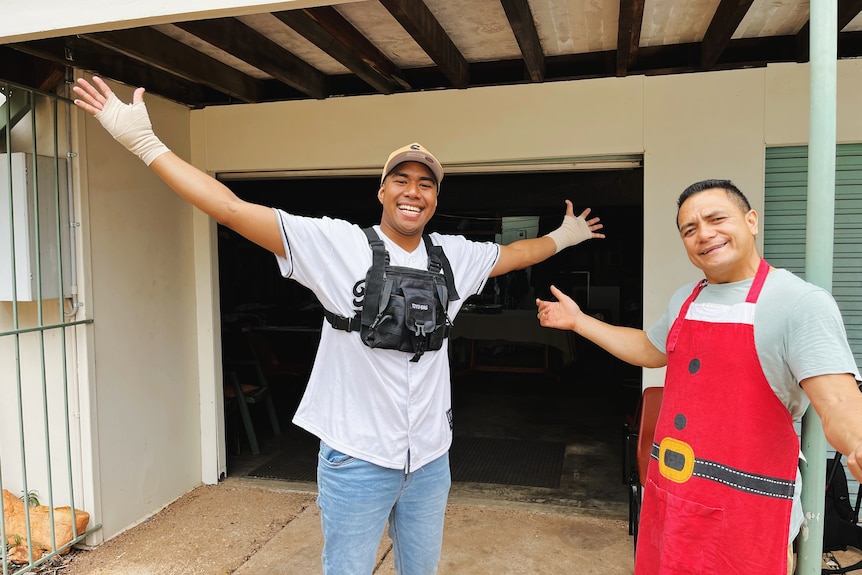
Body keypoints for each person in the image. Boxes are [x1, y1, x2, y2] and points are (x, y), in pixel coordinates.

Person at [72, 75, 605, 575]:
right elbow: (232, 209)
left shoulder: (455, 257)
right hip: (356, 458)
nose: (413, 192)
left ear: (436, 198)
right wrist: (145, 145)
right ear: (381, 190)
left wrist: (567, 236)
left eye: (426, 184)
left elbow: (516, 252)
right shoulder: (338, 246)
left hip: (429, 459)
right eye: (401, 180)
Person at [536, 179, 862, 575]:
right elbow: (649, 350)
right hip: (673, 498)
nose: (704, 234)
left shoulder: (799, 303)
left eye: (716, 219)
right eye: (689, 230)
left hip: (747, 515)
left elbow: (840, 400)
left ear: (751, 221)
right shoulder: (686, 298)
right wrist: (579, 322)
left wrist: (857, 443)